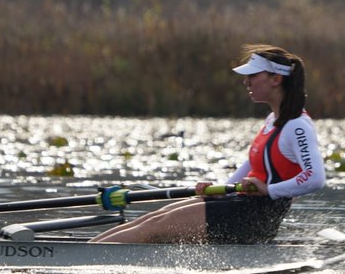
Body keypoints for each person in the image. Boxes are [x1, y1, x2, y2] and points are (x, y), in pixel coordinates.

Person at [90, 45, 325, 244]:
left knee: (157, 225)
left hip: (253, 219)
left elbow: (315, 177)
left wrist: (269, 190)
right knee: (154, 217)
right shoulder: (273, 120)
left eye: (253, 76)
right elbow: (253, 164)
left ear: (276, 79)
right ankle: (91, 247)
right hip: (239, 204)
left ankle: (79, 257)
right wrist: (219, 191)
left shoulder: (297, 125)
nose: (246, 81)